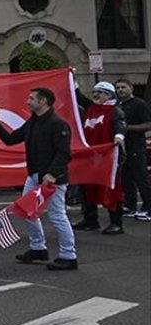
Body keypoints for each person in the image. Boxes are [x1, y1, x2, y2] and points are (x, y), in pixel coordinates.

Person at [0, 87, 77, 270]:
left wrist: (52, 174)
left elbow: (64, 154)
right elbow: (11, 139)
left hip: (53, 178)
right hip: (34, 175)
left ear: (42, 101)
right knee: (26, 211)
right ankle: (38, 247)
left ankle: (68, 255)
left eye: (31, 98)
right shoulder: (33, 122)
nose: (27, 102)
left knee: (57, 216)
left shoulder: (57, 124)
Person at [72, 82, 126, 235]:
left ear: (108, 95)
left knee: (111, 188)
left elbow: (120, 125)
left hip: (109, 157)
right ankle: (90, 219)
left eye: (100, 92)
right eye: (94, 91)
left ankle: (116, 223)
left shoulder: (115, 111)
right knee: (87, 187)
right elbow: (78, 97)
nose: (95, 95)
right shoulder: (91, 108)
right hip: (90, 157)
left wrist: (119, 136)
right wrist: (72, 79)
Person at [113, 79, 151, 220]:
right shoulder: (118, 105)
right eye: (118, 88)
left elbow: (147, 125)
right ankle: (130, 205)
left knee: (140, 176)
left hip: (136, 144)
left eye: (123, 87)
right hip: (123, 146)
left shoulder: (139, 104)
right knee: (126, 177)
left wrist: (126, 128)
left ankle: (148, 207)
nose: (120, 90)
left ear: (131, 88)